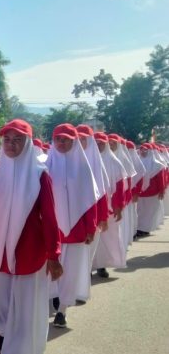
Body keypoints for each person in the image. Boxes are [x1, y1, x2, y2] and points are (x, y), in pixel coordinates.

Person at [0, 119, 62, 354]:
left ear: (27, 144)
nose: (11, 145)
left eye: (17, 140)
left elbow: (49, 217)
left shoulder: (39, 174)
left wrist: (53, 254)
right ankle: (6, 335)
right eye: (7, 140)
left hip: (29, 252)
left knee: (24, 309)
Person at [45, 124, 98, 328]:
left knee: (70, 270)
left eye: (65, 139)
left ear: (73, 142)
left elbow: (89, 200)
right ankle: (52, 299)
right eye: (58, 139)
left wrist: (91, 227)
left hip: (76, 229)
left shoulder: (83, 167)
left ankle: (63, 309)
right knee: (50, 269)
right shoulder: (47, 165)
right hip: (52, 230)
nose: (61, 143)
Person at [75, 125, 110, 301]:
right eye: (78, 139)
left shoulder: (96, 163)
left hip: (92, 217)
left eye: (83, 139)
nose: (80, 142)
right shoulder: (70, 159)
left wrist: (102, 217)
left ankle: (81, 289)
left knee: (86, 255)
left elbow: (102, 193)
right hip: (71, 218)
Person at [92, 132, 127, 278]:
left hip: (110, 208)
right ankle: (87, 268)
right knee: (92, 240)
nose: (99, 146)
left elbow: (120, 188)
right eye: (96, 143)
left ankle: (102, 266)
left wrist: (119, 207)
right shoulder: (88, 160)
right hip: (92, 209)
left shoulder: (114, 163)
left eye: (101, 143)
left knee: (107, 239)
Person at [136, 143, 166, 237]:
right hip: (140, 193)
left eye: (145, 150)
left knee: (149, 212)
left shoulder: (158, 165)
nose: (143, 152)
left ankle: (145, 229)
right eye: (141, 150)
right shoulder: (137, 162)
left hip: (153, 193)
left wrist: (162, 190)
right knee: (140, 211)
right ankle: (139, 228)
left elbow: (161, 180)